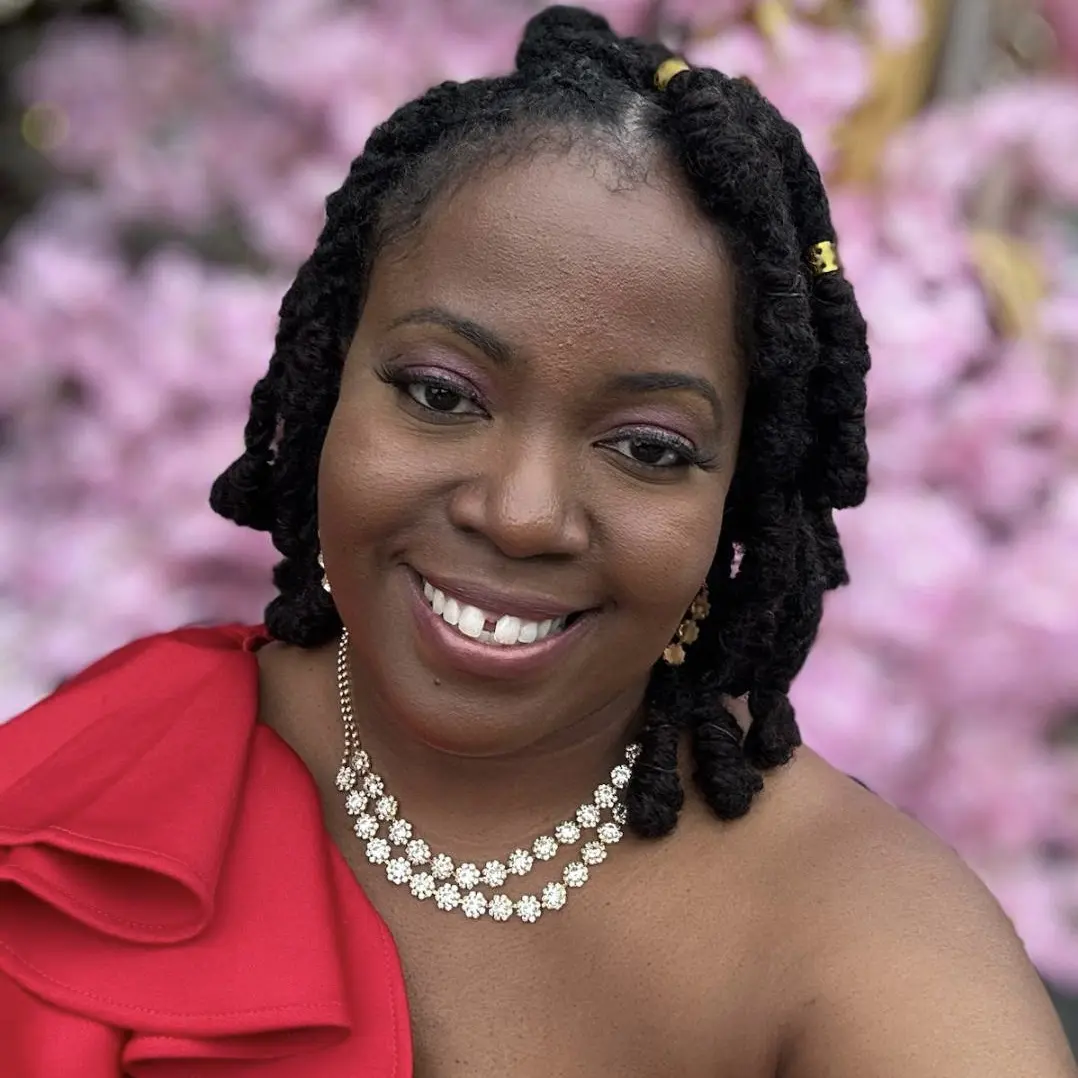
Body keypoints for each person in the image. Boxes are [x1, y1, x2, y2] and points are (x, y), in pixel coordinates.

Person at [1, 5, 1075, 1076]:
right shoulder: (87, 799)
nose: (520, 514)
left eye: (648, 448)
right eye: (440, 393)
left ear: (736, 497)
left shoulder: (864, 948)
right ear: (328, 387)